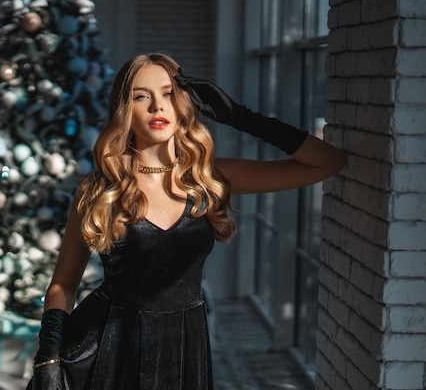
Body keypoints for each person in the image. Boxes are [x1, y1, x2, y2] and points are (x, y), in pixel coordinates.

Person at [27, 52, 346, 390]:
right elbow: (63, 284)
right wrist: (47, 355)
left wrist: (239, 116)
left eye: (168, 94)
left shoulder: (209, 178)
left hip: (184, 347)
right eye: (141, 96)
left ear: (182, 104)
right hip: (106, 348)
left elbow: (326, 162)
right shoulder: (98, 189)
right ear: (124, 110)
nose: (157, 107)